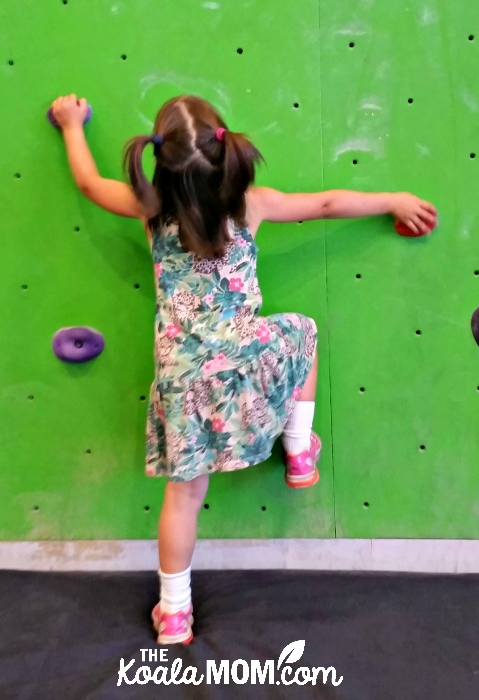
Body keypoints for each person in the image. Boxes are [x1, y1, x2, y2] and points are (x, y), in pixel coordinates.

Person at [50, 93, 438, 645]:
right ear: (224, 145)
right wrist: (393, 199)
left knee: (184, 497)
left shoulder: (147, 205)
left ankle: (175, 613)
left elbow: (88, 184)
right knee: (301, 330)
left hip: (181, 378)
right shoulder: (251, 204)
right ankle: (299, 451)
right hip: (246, 357)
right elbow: (327, 203)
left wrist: (70, 125)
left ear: (159, 159)